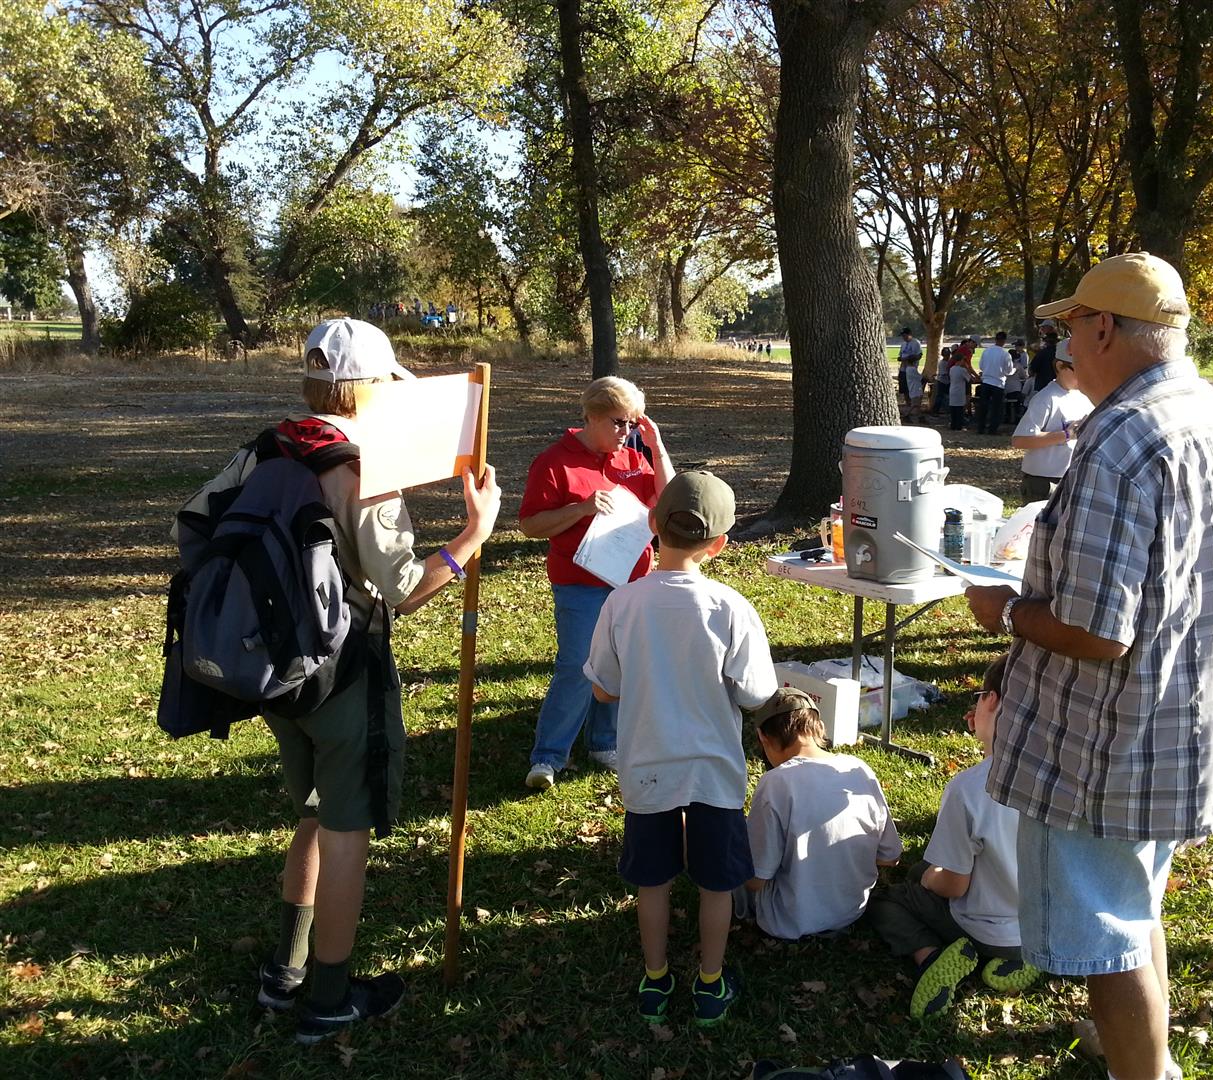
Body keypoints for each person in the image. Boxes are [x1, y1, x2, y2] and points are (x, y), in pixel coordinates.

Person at [965, 254, 1213, 1080]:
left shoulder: (1121, 437)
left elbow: (1096, 632)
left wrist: (1006, 613)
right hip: (1186, 725)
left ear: (1103, 328)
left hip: (1109, 744)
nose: (1066, 347)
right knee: (1134, 910)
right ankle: (1153, 1059)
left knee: (1106, 941)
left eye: (1072, 329)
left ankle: (1141, 1069)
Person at [177, 318, 503, 1043]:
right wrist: (472, 535)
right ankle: (329, 998)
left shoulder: (267, 446)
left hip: (273, 673)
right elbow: (405, 589)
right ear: (373, 387)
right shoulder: (363, 468)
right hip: (343, 675)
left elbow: (192, 526)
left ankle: (284, 971)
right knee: (346, 829)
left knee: (313, 815)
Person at [584, 471, 778, 1026]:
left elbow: (603, 688)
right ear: (719, 544)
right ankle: (710, 983)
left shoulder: (622, 603)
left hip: (646, 766)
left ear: (652, 524)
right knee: (717, 883)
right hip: (714, 770)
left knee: (652, 880)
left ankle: (656, 978)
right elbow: (757, 695)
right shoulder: (731, 607)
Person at [517, 377, 675, 790]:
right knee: (577, 666)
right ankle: (548, 756)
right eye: (618, 422)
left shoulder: (634, 458)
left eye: (632, 423)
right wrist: (581, 508)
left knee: (621, 661)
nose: (626, 432)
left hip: (631, 581)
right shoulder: (555, 461)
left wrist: (656, 447)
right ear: (591, 416)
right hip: (580, 584)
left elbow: (669, 500)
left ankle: (605, 742)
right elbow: (531, 525)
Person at [868, 657, 1042, 1021]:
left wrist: (931, 879)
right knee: (922, 869)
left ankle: (931, 956)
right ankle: (1018, 960)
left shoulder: (969, 788)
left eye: (979, 697)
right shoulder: (1066, 772)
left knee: (890, 898)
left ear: (991, 700)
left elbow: (953, 885)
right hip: (1045, 928)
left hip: (984, 928)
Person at [736, 687, 901, 941]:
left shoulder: (776, 782)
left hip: (788, 920)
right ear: (820, 728)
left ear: (763, 737)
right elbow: (890, 857)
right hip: (852, 911)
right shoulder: (859, 769)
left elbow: (755, 880)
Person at [1010, 344, 1091, 503]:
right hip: (1044, 482)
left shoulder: (1083, 397)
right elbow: (1020, 440)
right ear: (1060, 366)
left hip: (1072, 478)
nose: (1085, 375)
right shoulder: (1046, 398)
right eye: (1079, 369)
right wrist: (1066, 434)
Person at [976, 332, 1013, 434]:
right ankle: (993, 429)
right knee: (996, 408)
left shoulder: (986, 351)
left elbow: (981, 366)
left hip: (986, 381)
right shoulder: (1005, 354)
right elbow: (1008, 371)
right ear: (1004, 341)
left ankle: (981, 428)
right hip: (998, 383)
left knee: (984, 406)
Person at [1031, 322, 1059, 393]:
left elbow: (1032, 370)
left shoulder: (1041, 353)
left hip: (1042, 386)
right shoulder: (1061, 352)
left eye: (1043, 327)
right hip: (1057, 386)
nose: (1042, 329)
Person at [898, 328, 923, 404]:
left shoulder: (916, 343)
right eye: (902, 336)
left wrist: (909, 359)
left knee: (911, 387)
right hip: (903, 368)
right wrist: (901, 359)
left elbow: (919, 355)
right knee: (904, 387)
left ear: (909, 334)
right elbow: (900, 355)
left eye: (905, 335)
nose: (903, 337)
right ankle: (907, 403)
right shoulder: (903, 344)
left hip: (911, 368)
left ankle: (913, 403)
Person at [901, 352, 925, 422]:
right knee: (915, 404)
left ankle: (920, 417)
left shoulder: (908, 369)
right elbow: (919, 377)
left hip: (914, 388)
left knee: (917, 404)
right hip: (915, 389)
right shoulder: (912, 369)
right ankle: (906, 415)